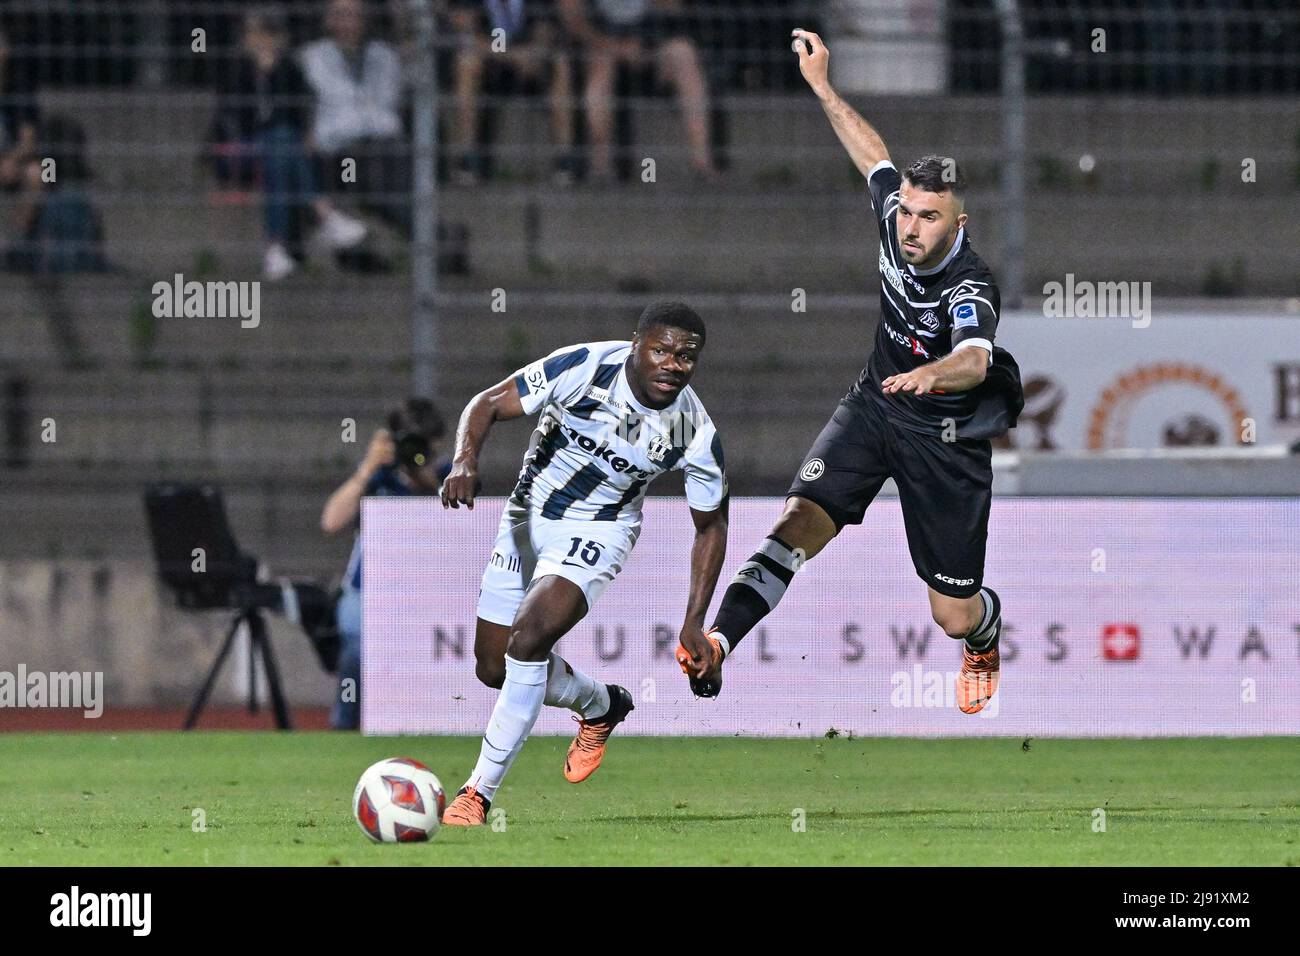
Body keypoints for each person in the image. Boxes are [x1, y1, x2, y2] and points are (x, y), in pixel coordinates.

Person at [678, 30, 1023, 715]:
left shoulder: (969, 284)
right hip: (872, 409)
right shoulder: (894, 213)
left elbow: (975, 358)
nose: (911, 227)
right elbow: (873, 156)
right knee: (795, 523)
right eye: (909, 213)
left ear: (959, 223)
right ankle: (719, 641)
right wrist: (823, 87)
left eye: (930, 217)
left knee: (951, 614)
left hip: (942, 437)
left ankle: (983, 635)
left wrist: (936, 376)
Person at [438, 300, 728, 825]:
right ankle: (601, 704)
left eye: (686, 356)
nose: (673, 364)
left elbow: (711, 526)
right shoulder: (583, 366)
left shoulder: (695, 431)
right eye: (661, 350)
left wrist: (693, 622)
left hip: (601, 529)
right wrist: (464, 460)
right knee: (493, 667)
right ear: (636, 344)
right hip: (526, 518)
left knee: (528, 639)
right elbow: (486, 404)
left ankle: (477, 792)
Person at [321, 398, 448, 730]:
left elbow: (472, 528)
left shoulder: (448, 476)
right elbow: (332, 521)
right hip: (368, 593)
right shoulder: (378, 478)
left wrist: (429, 483)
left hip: (430, 599)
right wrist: (367, 468)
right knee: (359, 646)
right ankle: (343, 728)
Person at [221, 6, 368, 280]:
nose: (257, 40)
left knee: (279, 159)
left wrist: (273, 73)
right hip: (245, 145)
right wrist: (259, 75)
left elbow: (296, 109)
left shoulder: (288, 67)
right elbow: (237, 116)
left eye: (264, 34)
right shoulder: (239, 68)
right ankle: (325, 215)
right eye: (252, 33)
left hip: (280, 146)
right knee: (282, 144)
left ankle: (275, 250)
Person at [557, 0, 717, 181]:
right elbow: (571, 19)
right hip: (600, 48)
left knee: (683, 53)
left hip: (646, 48)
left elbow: (675, 7)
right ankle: (601, 164)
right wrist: (613, 47)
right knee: (601, 66)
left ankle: (701, 162)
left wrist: (644, 45)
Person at [299, 0, 410, 235]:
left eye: (352, 15)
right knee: (362, 179)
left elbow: (387, 111)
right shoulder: (313, 59)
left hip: (381, 147)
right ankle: (429, 235)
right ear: (328, 20)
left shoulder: (383, 57)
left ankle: (422, 234)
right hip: (342, 153)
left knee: (387, 167)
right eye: (340, 15)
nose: (346, 22)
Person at [446, 0, 577, 185]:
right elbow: (468, 35)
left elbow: (544, 32)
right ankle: (467, 161)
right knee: (466, 63)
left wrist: (533, 54)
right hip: (490, 70)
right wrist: (510, 55)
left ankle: (564, 162)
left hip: (529, 68)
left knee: (560, 65)